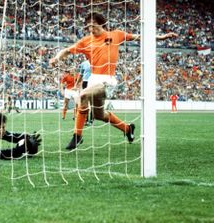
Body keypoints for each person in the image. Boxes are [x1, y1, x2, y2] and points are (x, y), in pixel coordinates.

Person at [50, 12, 178, 150]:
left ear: (100, 22)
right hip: (93, 80)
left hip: (107, 80)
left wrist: (161, 37)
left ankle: (77, 136)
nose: (89, 25)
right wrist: (56, 58)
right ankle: (127, 128)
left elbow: (140, 37)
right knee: (99, 115)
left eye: (91, 21)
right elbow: (67, 51)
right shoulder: (85, 41)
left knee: (82, 96)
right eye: (87, 23)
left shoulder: (116, 35)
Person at [79, 60, 93, 126]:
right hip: (85, 82)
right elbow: (81, 74)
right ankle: (86, 120)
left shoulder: (96, 62)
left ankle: (91, 120)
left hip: (93, 82)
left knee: (92, 101)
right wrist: (76, 83)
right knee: (85, 102)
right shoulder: (83, 63)